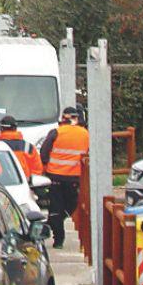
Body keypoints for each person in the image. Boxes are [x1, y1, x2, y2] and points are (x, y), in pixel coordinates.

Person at [41, 106, 89, 249]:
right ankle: (54, 221)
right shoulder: (85, 134)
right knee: (70, 207)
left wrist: (45, 169)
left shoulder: (56, 132)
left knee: (55, 208)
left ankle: (58, 238)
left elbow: (44, 153)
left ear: (63, 119)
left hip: (55, 177)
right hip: (75, 178)